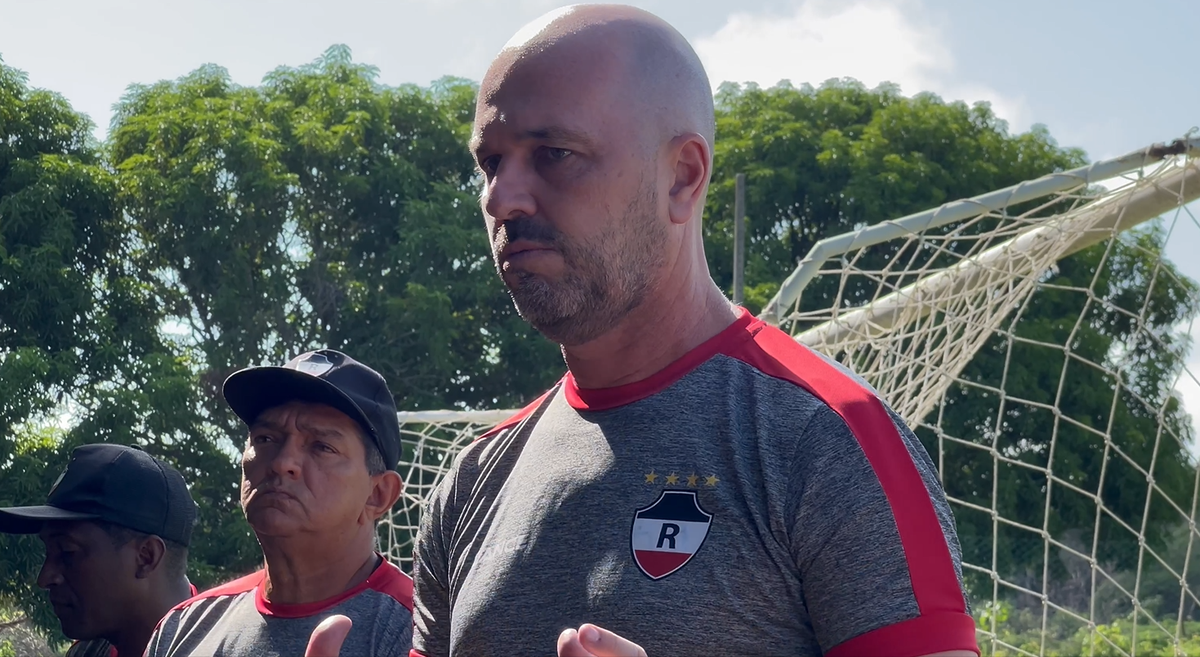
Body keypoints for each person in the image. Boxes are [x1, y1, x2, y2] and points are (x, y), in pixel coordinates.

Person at [370, 4, 980, 657]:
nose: (501, 198)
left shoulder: (830, 442)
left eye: (554, 154)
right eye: (491, 161)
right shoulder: (470, 482)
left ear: (683, 177)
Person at [144, 349, 413, 657]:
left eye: (321, 446)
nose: (282, 462)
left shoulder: (422, 634)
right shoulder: (184, 628)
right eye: (265, 439)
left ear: (378, 494)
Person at [0, 443, 198, 657]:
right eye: (48, 553)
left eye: (68, 553)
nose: (45, 578)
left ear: (146, 557)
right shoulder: (88, 651)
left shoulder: (221, 647)